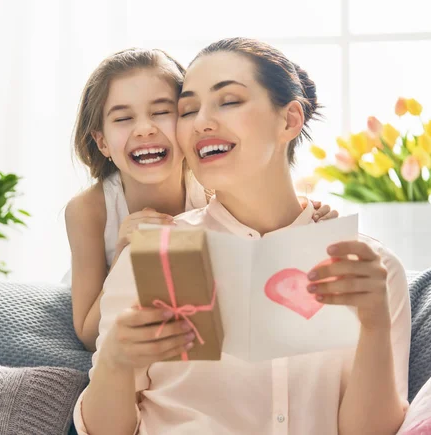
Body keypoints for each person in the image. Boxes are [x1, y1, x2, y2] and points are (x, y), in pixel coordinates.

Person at [73, 38, 411, 435]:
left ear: (289, 120)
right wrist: (115, 360)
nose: (201, 122)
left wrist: (374, 327)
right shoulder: (157, 253)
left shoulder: (369, 269)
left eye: (229, 101)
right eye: (188, 110)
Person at [65, 48, 338, 352]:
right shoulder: (90, 210)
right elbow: (90, 335)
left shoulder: (212, 189)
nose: (145, 129)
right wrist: (124, 256)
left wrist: (304, 224)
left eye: (162, 112)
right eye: (124, 118)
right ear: (101, 141)